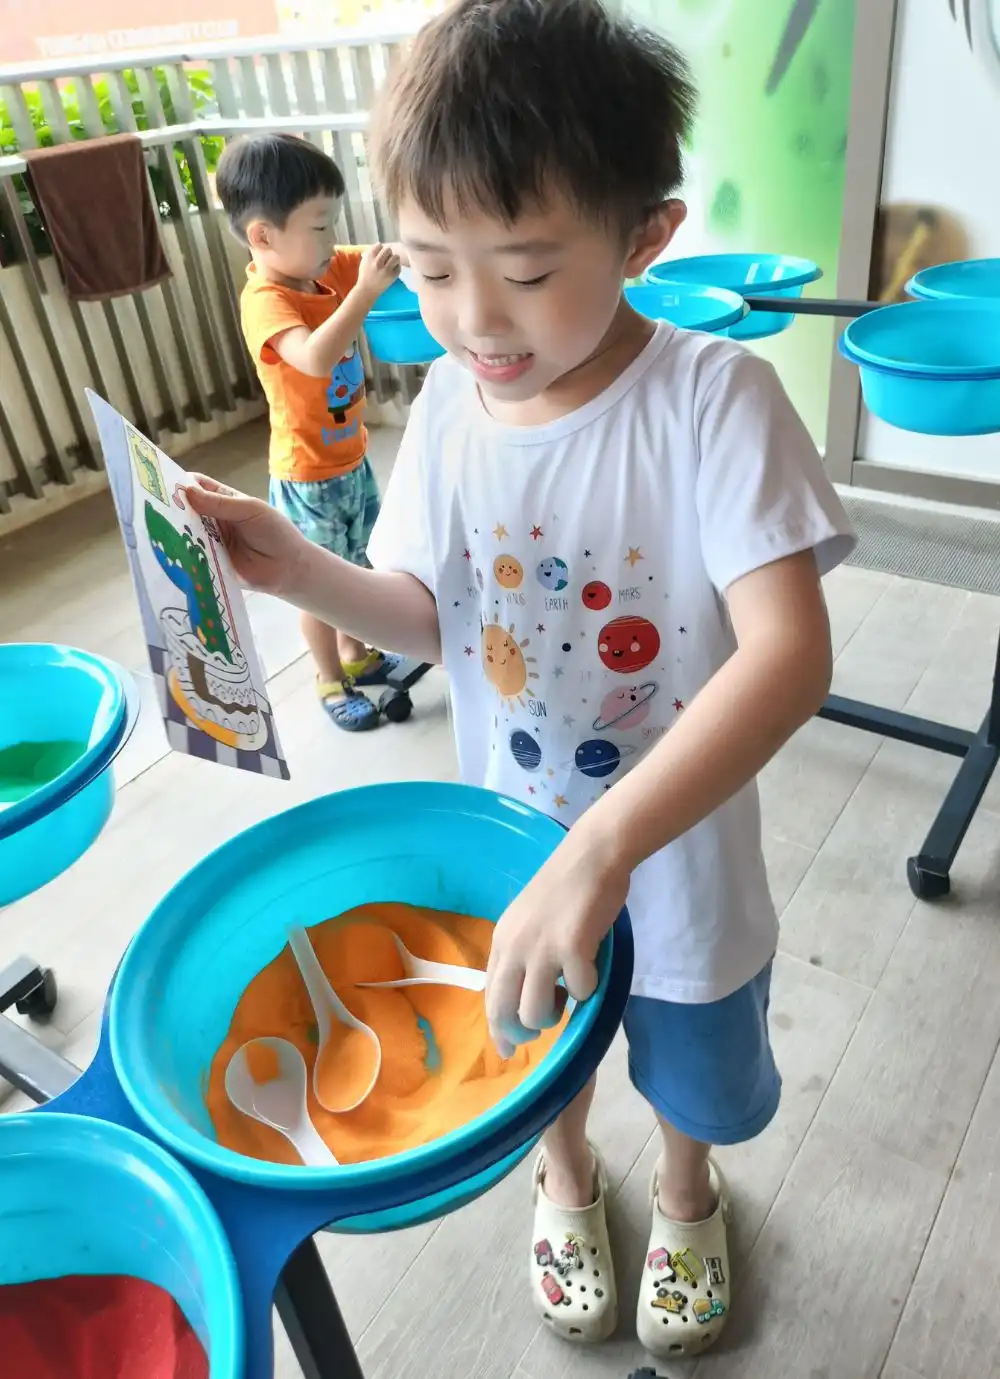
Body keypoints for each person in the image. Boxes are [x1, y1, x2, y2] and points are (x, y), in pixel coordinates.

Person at [188, 0, 856, 1358]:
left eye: (530, 269)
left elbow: (789, 654)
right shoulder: (447, 402)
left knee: (692, 1056)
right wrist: (295, 569)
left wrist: (606, 846)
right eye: (431, 270)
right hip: (512, 835)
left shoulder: (713, 400)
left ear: (645, 236)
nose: (475, 319)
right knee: (533, 1043)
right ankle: (564, 1174)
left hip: (671, 845)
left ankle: (685, 1190)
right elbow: (430, 613)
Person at [215, 132, 405, 731]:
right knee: (316, 585)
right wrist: (366, 292)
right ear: (263, 237)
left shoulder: (321, 270)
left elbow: (387, 255)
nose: (332, 240)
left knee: (356, 566)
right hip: (308, 477)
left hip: (350, 459)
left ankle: (356, 654)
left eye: (333, 224)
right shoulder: (266, 301)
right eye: (319, 227)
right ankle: (327, 677)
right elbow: (316, 360)